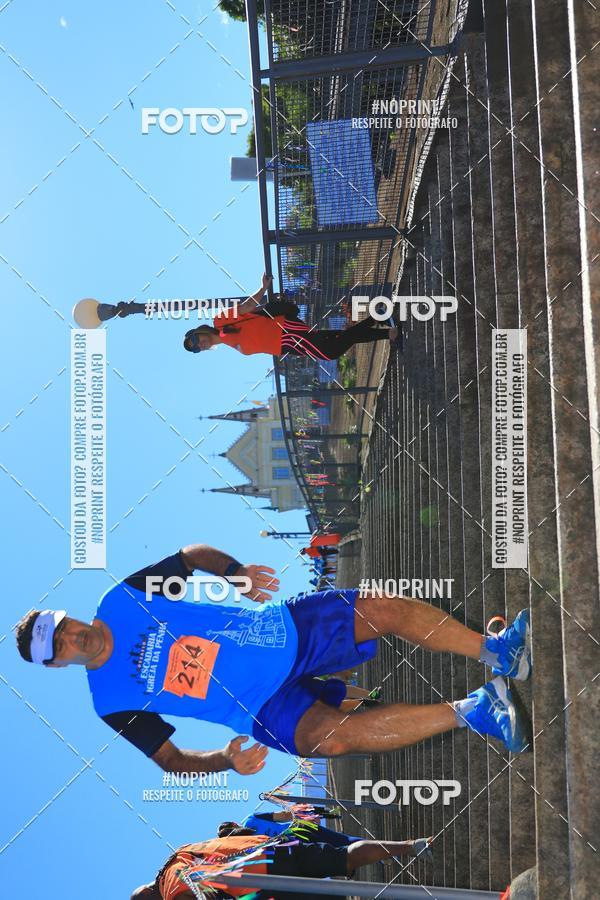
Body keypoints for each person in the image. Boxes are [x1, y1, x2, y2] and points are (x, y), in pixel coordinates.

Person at [15, 541, 532, 777]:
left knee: (381, 608)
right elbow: (170, 762)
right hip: (261, 708)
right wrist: (225, 759)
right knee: (329, 739)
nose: (70, 639)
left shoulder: (119, 599)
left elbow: (192, 556)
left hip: (277, 633)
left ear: (71, 617)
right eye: (56, 646)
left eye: (62, 628)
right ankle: (478, 709)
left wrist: (234, 573)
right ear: (56, 665)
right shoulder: (108, 702)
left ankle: (497, 651)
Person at [130, 831, 433, 899]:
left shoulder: (170, 887)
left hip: (263, 885)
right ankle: (413, 846)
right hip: (272, 851)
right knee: (345, 856)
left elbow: (198, 895)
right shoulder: (183, 852)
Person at [183, 274, 399, 361]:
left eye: (194, 339)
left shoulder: (220, 322)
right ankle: (385, 327)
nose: (197, 345)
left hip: (285, 332)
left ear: (199, 331)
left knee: (330, 352)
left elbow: (247, 306)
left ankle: (379, 320)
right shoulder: (229, 344)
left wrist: (262, 287)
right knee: (336, 338)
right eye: (194, 348)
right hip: (287, 345)